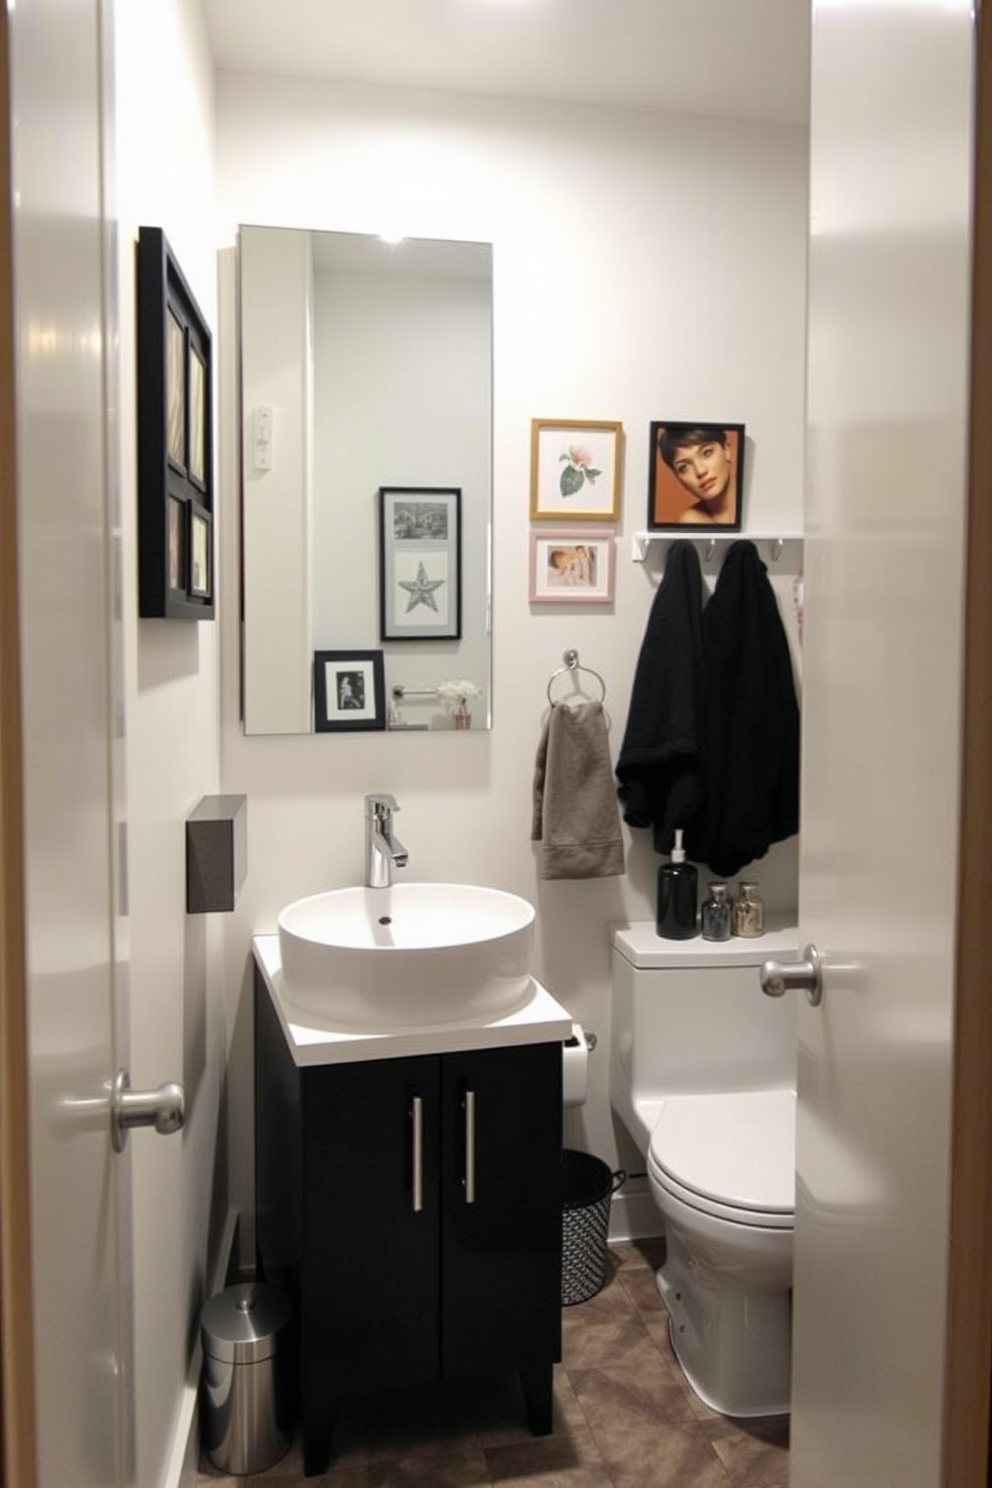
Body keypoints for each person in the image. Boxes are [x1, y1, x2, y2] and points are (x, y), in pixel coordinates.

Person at [657, 424, 738, 525]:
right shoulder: (691, 521)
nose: (700, 471)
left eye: (707, 453)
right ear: (678, 478)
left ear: (726, 450)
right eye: (684, 468)